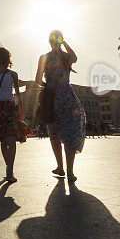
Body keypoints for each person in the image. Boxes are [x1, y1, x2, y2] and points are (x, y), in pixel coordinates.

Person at [35, 30, 86, 182]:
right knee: (69, 133)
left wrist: (48, 85)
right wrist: (65, 43)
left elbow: (38, 79)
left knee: (54, 133)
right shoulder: (66, 57)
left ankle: (60, 167)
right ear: (60, 40)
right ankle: (70, 172)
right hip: (68, 97)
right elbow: (75, 57)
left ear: (49, 41)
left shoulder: (44, 57)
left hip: (52, 98)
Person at [0, 45, 30, 183]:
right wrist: (21, 110)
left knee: (3, 140)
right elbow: (17, 94)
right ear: (8, 58)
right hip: (10, 108)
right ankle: (10, 169)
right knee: (11, 139)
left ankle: (8, 168)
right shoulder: (13, 74)